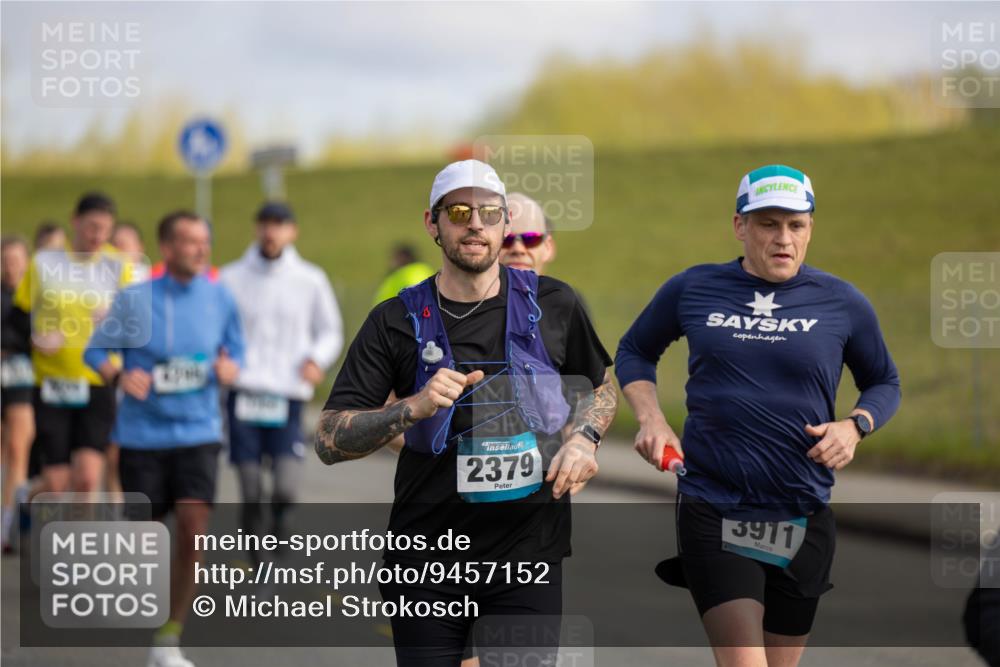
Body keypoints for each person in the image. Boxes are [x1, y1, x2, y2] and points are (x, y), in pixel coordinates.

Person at [316, 159, 617, 667]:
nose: (475, 223)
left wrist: (585, 437)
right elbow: (327, 439)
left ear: (503, 224)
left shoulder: (555, 303)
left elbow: (600, 389)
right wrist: (412, 408)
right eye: (458, 211)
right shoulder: (394, 320)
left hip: (528, 554)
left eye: (489, 212)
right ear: (432, 224)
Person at [615, 165, 901, 667]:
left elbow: (884, 382)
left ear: (811, 228)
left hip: (802, 508)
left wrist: (854, 426)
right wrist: (651, 418)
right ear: (740, 226)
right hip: (715, 502)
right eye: (768, 224)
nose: (783, 238)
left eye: (796, 225)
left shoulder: (842, 302)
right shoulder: (694, 288)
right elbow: (636, 349)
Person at [85, 210, 244, 667]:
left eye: (204, 241)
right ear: (168, 249)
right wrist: (118, 374)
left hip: (198, 432)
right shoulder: (136, 300)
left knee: (193, 531)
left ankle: (168, 640)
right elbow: (95, 350)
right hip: (142, 436)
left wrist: (230, 367)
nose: (201, 249)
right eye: (190, 242)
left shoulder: (220, 298)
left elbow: (237, 350)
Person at [220, 201, 343, 562]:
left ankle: (280, 520)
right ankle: (256, 556)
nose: (270, 232)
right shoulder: (231, 278)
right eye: (265, 224)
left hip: (287, 395)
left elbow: (330, 331)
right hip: (243, 393)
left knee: (286, 487)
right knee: (251, 485)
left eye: (279, 224)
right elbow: (216, 331)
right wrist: (221, 358)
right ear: (256, 228)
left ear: (292, 232)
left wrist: (315, 359)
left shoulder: (310, 279)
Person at [13, 193, 129, 495]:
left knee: (88, 478)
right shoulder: (43, 264)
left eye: (105, 229)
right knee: (56, 483)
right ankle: (26, 497)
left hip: (98, 380)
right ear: (74, 221)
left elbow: (136, 326)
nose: (98, 235)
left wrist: (115, 319)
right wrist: (34, 338)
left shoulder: (119, 267)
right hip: (51, 383)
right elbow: (17, 317)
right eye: (92, 227)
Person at [1, 236, 34, 552]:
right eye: (5, 261)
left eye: (16, 260)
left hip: (26, 380)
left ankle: (11, 523)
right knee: (5, 451)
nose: (11, 268)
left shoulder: (38, 296)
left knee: (18, 448)